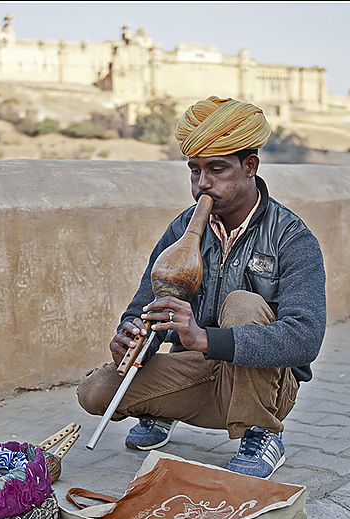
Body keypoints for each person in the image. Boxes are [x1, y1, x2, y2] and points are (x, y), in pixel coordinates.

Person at [77, 96, 326, 479]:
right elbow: (147, 300)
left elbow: (305, 338)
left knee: (243, 304)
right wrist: (130, 336)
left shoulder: (291, 237)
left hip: (267, 385)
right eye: (194, 171)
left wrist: (206, 338)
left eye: (217, 169)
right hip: (200, 371)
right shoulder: (182, 229)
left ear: (251, 166)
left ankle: (261, 433)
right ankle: (159, 412)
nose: (202, 184)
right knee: (95, 392)